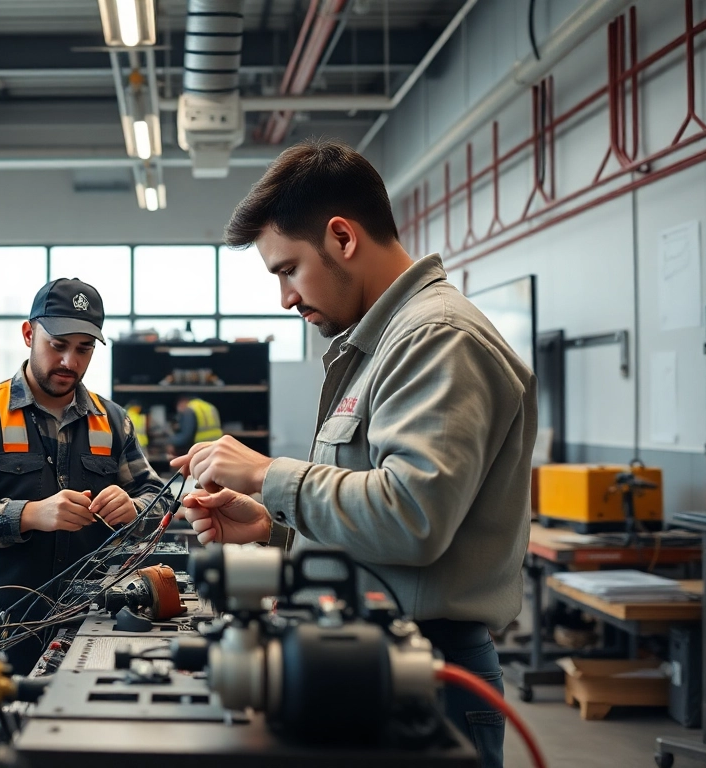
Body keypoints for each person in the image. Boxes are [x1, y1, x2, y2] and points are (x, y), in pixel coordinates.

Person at [170, 139, 535, 768]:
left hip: (424, 678)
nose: (285, 298)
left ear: (342, 238)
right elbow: (376, 511)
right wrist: (274, 528)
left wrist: (267, 474)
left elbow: (413, 516)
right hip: (366, 663)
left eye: (288, 269)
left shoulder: (436, 338)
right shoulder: (380, 343)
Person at [0, 278, 165, 693]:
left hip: (89, 620)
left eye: (84, 349)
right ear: (28, 334)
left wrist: (135, 509)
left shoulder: (113, 421)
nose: (70, 361)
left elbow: (160, 499)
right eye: (58, 345)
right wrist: (29, 515)